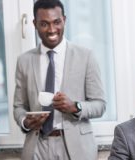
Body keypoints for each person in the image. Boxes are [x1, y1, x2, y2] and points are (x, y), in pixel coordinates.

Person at [13, 0, 106, 159]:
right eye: (44, 24)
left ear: (64, 20)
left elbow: (100, 105)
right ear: (35, 24)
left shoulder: (86, 57)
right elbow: (19, 107)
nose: (51, 30)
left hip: (75, 148)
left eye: (57, 22)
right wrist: (26, 122)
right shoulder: (24, 61)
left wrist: (75, 106)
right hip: (38, 146)